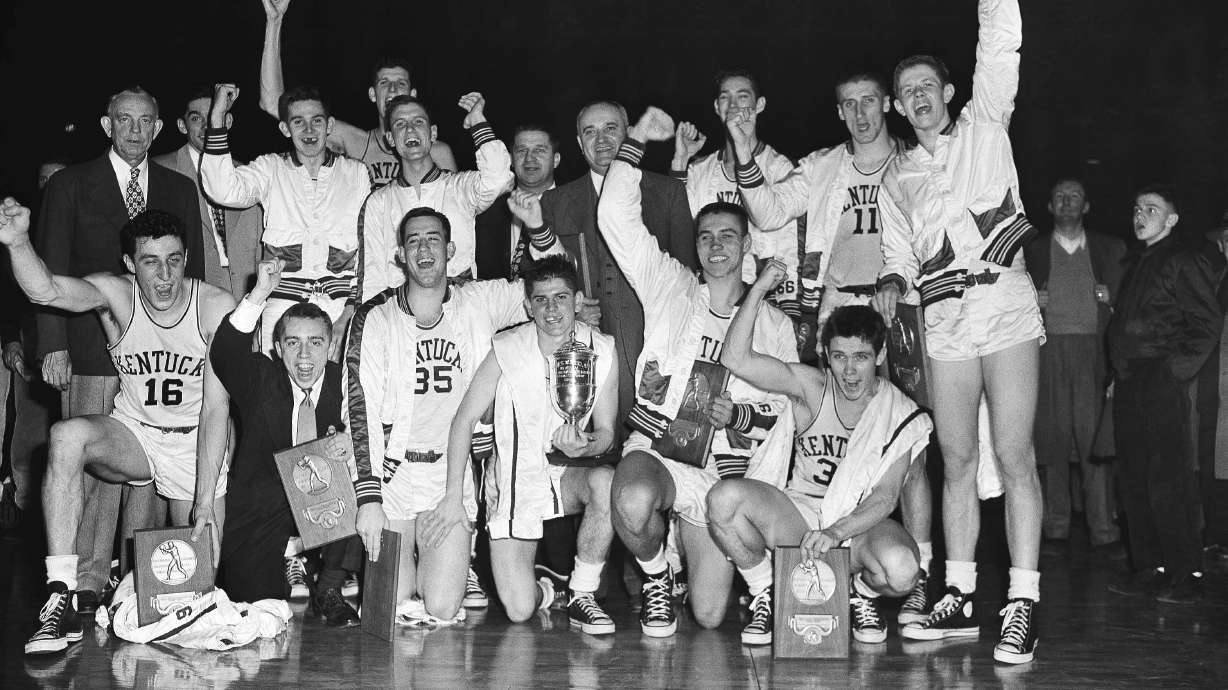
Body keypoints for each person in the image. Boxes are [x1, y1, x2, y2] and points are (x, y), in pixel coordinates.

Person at [872, 0, 1044, 664]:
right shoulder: (898, 178)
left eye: (927, 87)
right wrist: (891, 282)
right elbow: (897, 259)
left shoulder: (986, 124)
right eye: (905, 92)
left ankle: (1023, 603)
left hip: (1004, 307)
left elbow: (999, 42)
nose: (918, 98)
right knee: (958, 461)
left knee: (1014, 452)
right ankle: (961, 594)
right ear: (897, 105)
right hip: (944, 322)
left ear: (948, 92)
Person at [729, 68, 934, 622]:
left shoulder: (919, 160)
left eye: (870, 101)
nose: (861, 113)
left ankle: (921, 570)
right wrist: (745, 147)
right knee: (830, 426)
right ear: (839, 112)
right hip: (841, 314)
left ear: (886, 105)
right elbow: (768, 212)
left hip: (905, 308)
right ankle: (835, 556)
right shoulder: (823, 166)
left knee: (908, 449)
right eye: (849, 104)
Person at [0, 201, 232, 655]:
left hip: (194, 443)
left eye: (174, 261)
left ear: (186, 258)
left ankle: (127, 592)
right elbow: (46, 291)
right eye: (151, 262)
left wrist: (205, 497)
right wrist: (18, 242)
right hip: (136, 436)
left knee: (195, 597)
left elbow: (215, 411)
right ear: (130, 264)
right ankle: (60, 595)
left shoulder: (215, 306)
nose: (164, 276)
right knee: (66, 436)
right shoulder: (118, 295)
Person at [597, 109, 796, 637]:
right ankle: (658, 577)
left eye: (728, 236)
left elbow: (784, 410)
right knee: (632, 498)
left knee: (708, 615)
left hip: (724, 475)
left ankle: (745, 583)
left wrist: (740, 416)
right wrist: (637, 138)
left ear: (747, 245)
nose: (715, 245)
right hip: (663, 452)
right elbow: (613, 217)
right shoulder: (672, 286)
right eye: (706, 236)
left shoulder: (772, 322)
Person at [35, 87, 206, 615]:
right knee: (91, 464)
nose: (135, 130)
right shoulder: (69, 184)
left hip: (161, 352)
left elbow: (189, 271)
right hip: (89, 347)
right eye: (124, 120)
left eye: (145, 122)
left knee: (150, 470)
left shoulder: (179, 186)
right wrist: (52, 344)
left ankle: (136, 580)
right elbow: (50, 267)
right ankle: (83, 582)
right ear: (107, 125)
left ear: (159, 129)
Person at [348, 208, 562, 623]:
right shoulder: (375, 317)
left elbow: (556, 281)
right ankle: (402, 579)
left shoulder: (478, 299)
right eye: (413, 241)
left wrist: (539, 224)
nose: (424, 249)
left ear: (450, 249)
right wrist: (369, 499)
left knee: (443, 606)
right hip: (393, 476)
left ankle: (506, 579)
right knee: (383, 609)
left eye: (433, 239)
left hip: (451, 473)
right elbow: (362, 410)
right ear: (399, 255)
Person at [709, 261, 932, 646]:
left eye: (860, 356)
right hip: (799, 517)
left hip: (858, 526)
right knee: (722, 499)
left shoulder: (897, 409)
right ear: (826, 355)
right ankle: (766, 590)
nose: (849, 371)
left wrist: (835, 533)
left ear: (879, 357)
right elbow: (735, 359)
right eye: (839, 356)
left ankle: (859, 594)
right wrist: (758, 291)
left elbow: (884, 497)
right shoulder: (811, 386)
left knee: (902, 569)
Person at [444, 256, 619, 633]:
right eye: (541, 300)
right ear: (527, 306)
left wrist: (585, 447)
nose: (552, 309)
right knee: (520, 610)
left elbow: (606, 433)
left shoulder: (602, 349)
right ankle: (546, 592)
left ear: (577, 301)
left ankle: (582, 595)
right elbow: (462, 421)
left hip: (566, 472)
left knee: (605, 482)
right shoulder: (506, 348)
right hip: (514, 480)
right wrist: (451, 496)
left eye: (560, 298)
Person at [205, 258, 363, 625]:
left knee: (356, 474)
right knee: (253, 606)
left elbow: (382, 426)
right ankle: (287, 561)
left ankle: (330, 584)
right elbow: (225, 356)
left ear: (330, 345)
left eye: (315, 343)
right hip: (264, 503)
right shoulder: (262, 375)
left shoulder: (347, 380)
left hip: (323, 495)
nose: (305, 356)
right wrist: (259, 293)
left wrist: (351, 442)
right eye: (293, 343)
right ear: (277, 347)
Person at [541, 100, 695, 438]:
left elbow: (687, 278)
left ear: (627, 134)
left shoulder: (668, 192)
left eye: (611, 129)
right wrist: (574, 308)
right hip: (582, 343)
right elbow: (539, 280)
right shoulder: (553, 203)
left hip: (649, 340)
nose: (601, 140)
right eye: (590, 132)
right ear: (579, 144)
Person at [1106, 185, 1223, 605]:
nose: (1140, 214)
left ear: (1172, 220)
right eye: (1137, 208)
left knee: (1169, 479)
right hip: (1130, 382)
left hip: (1160, 380)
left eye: (1152, 209)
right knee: (1134, 477)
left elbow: (1207, 323)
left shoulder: (1181, 259)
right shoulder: (1139, 262)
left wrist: (1174, 371)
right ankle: (1150, 567)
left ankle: (1187, 572)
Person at [200, 83, 367, 356]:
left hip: (339, 309)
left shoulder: (356, 174)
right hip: (282, 305)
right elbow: (223, 189)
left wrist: (350, 312)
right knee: (277, 391)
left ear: (330, 125)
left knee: (337, 394)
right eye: (298, 122)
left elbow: (368, 251)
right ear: (285, 129)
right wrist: (217, 118)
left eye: (317, 121)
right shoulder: (271, 168)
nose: (309, 131)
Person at [1023, 178, 1124, 555]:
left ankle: (1103, 529)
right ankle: (1055, 527)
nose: (1067, 202)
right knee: (1051, 440)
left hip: (1093, 355)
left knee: (1094, 441)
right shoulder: (1031, 250)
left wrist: (1112, 299)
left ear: (1086, 206)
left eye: (1075, 197)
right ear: (1050, 206)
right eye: (1060, 197)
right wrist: (1033, 302)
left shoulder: (1111, 250)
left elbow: (1130, 305)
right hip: (1047, 353)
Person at [257, 0, 457, 185]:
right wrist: (274, 22)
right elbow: (273, 103)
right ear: (373, 94)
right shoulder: (356, 142)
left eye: (401, 83)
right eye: (384, 83)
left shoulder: (438, 152)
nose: (393, 89)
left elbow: (458, 209)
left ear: (413, 94)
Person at [671, 70, 802, 324]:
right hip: (711, 294)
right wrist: (680, 161)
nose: (733, 106)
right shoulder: (701, 169)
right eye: (725, 98)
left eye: (742, 97)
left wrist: (789, 306)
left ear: (759, 105)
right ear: (716, 107)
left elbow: (788, 245)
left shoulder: (779, 168)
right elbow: (678, 229)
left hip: (763, 296)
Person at [355, 91, 513, 298]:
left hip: (460, 307)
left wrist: (477, 121)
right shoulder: (379, 202)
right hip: (404, 314)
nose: (410, 129)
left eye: (418, 122)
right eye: (400, 124)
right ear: (390, 139)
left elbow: (500, 177)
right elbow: (372, 279)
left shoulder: (459, 188)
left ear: (433, 133)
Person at [154, 86, 263, 300]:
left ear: (227, 121)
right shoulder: (160, 173)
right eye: (196, 118)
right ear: (182, 125)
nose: (207, 126)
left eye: (213, 117)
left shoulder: (249, 175)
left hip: (246, 292)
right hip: (191, 290)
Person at [473, 125, 563, 281]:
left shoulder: (573, 206)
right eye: (522, 151)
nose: (529, 158)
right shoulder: (486, 210)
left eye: (539, 150)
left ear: (556, 160)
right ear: (511, 160)